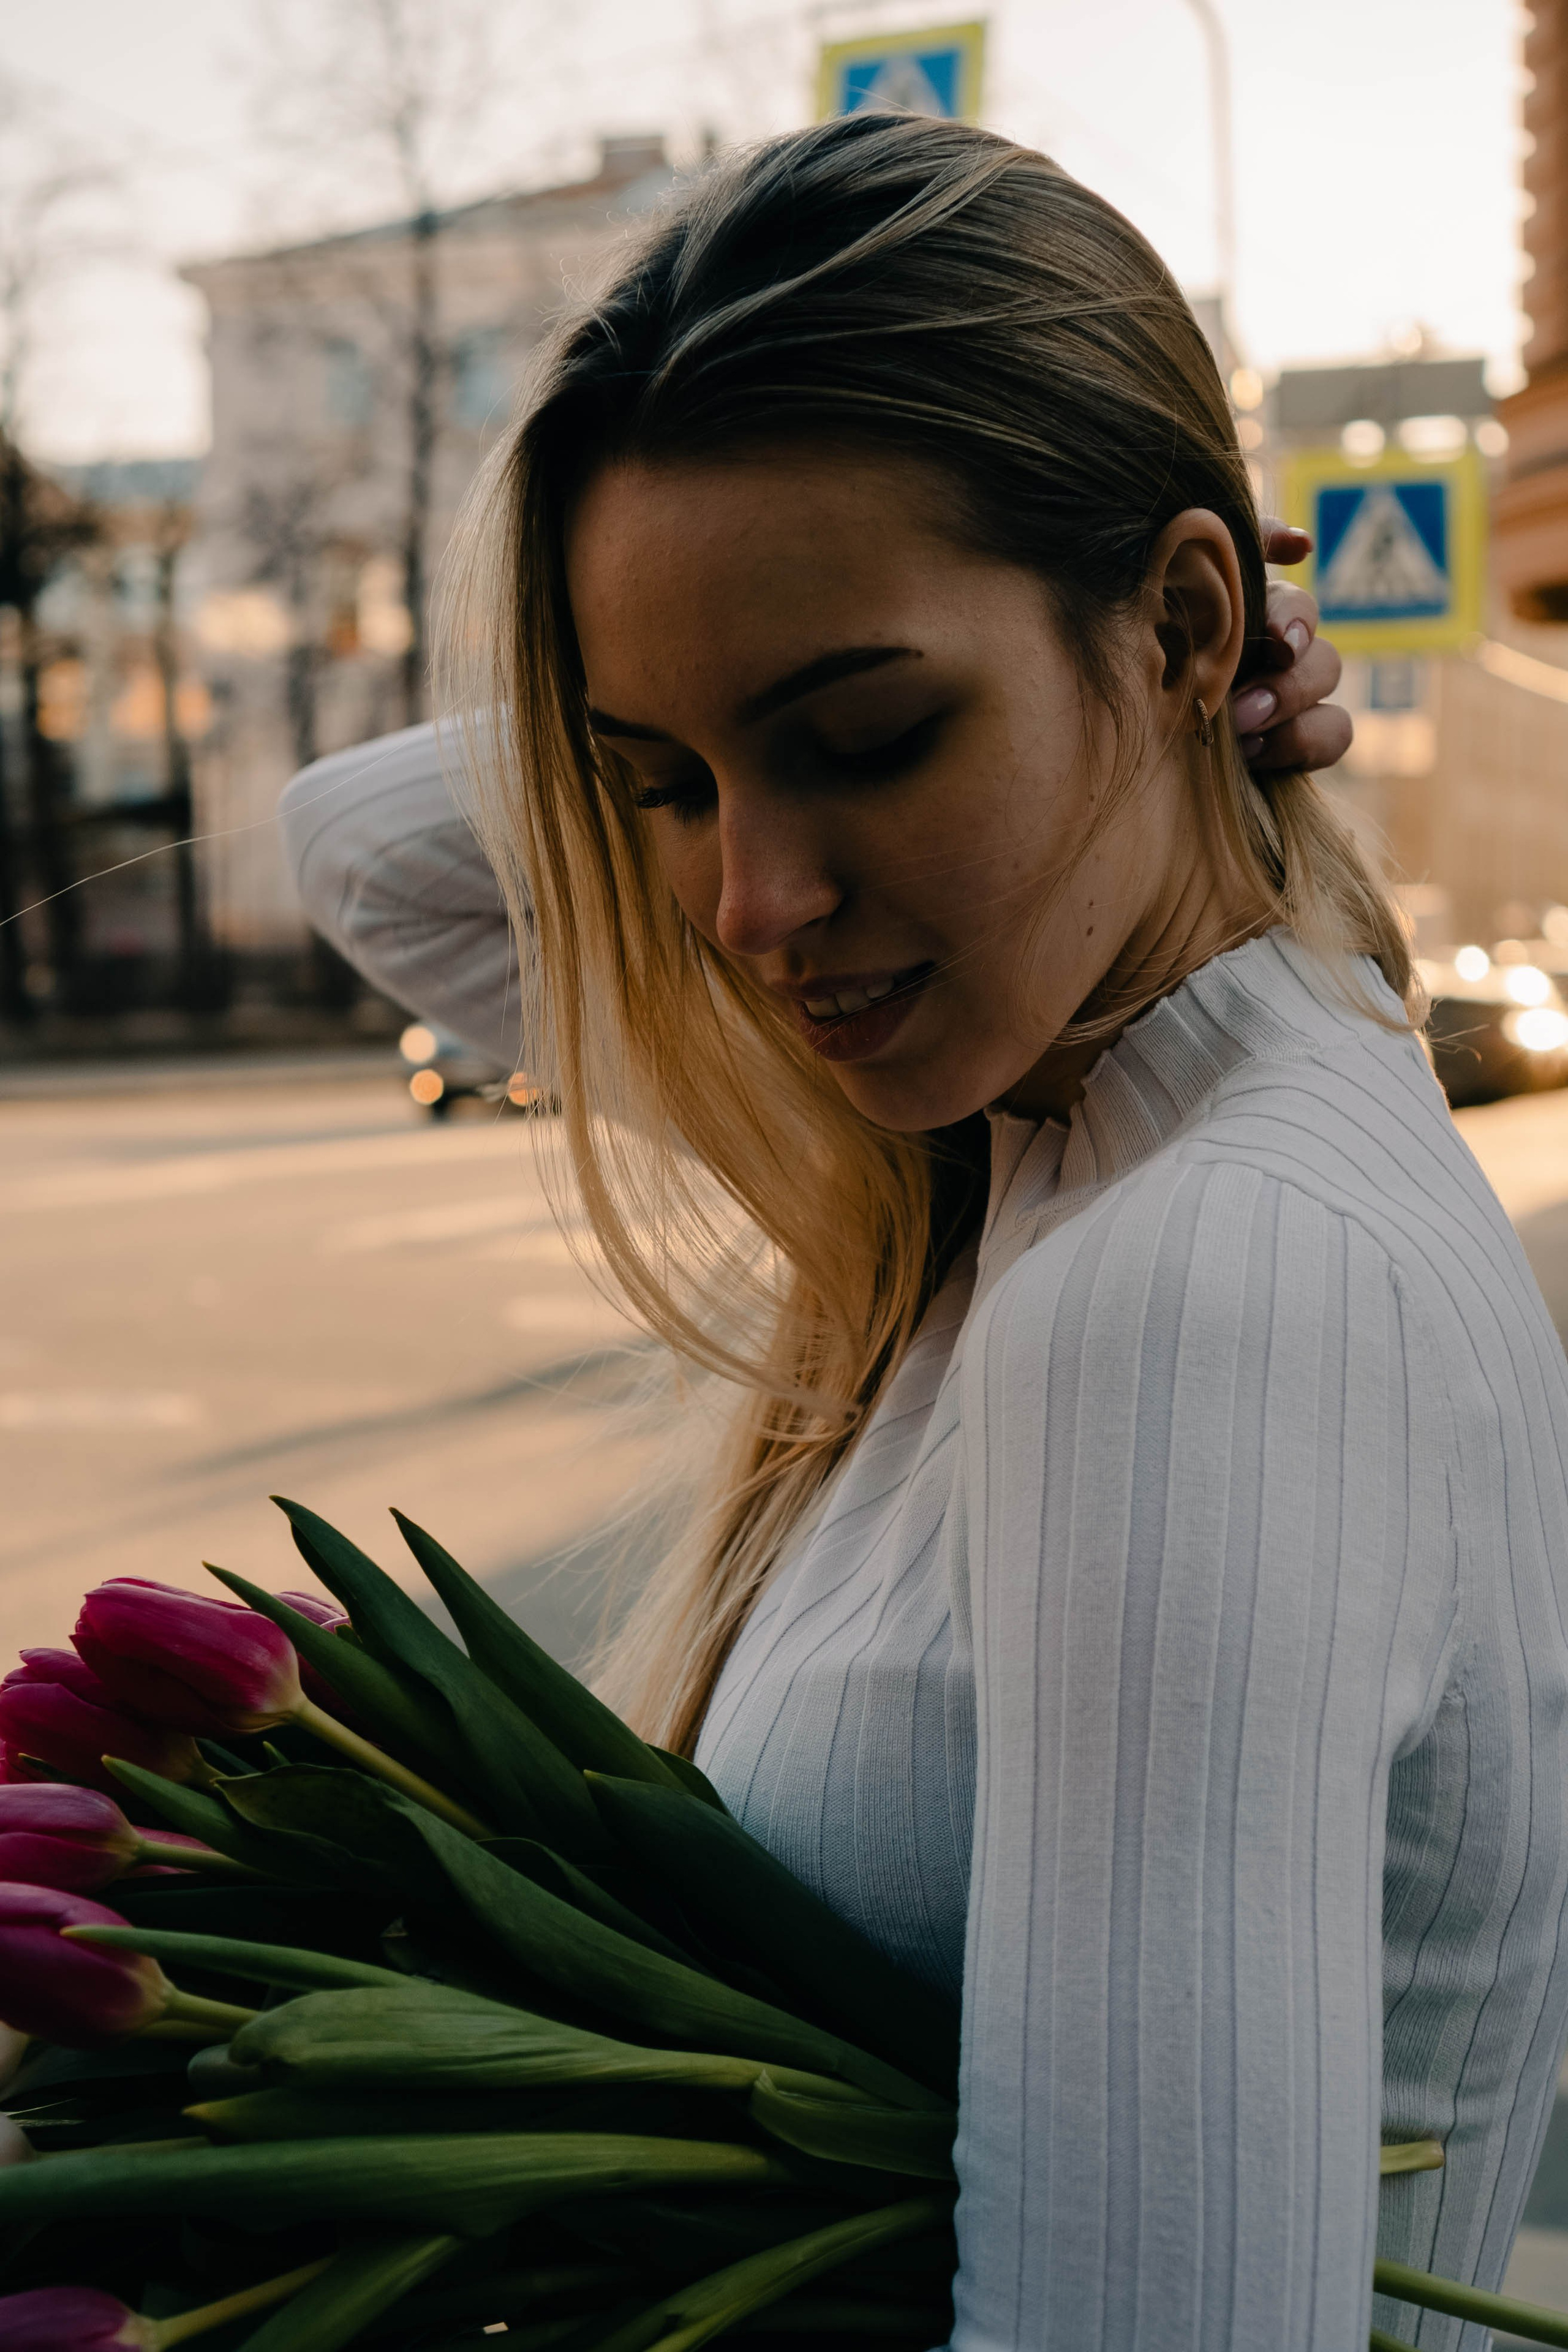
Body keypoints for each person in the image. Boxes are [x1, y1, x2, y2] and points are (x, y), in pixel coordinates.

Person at [282, 116, 1568, 2352]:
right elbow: (366, 864)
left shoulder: (1200, 1280)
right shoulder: (1053, 1147)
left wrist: (1177, 641)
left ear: (1174, 621)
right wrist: (1097, 669)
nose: (747, 904)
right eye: (661, 783)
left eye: (864, 737)